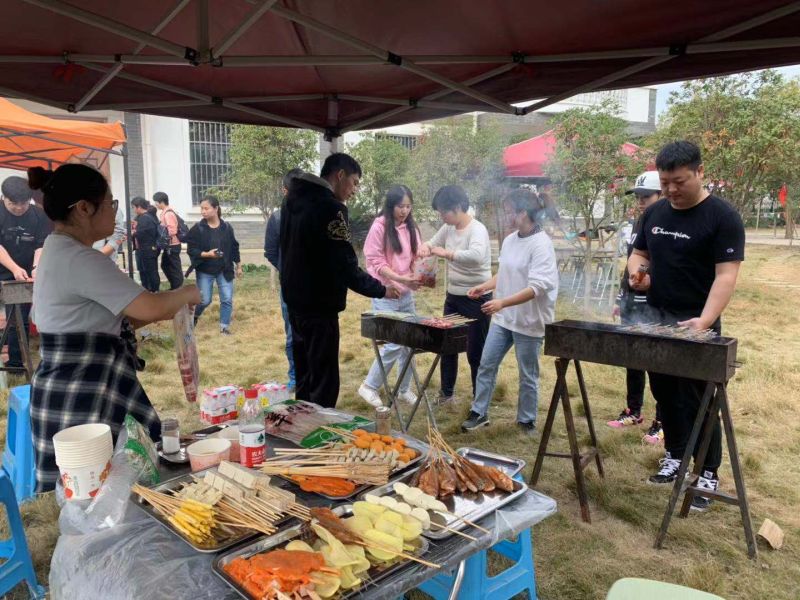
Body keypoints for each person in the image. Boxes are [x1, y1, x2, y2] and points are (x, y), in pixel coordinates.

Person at [27, 163, 200, 492]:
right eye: (110, 203)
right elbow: (150, 306)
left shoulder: (58, 250)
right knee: (92, 489)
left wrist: (169, 306)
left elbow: (121, 317)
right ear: (83, 208)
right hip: (81, 386)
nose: (115, 212)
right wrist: (187, 293)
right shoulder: (81, 259)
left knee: (104, 486)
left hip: (78, 380)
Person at [628, 141, 745, 511]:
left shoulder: (722, 217)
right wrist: (637, 274)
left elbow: (726, 276)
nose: (671, 190)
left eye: (679, 182)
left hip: (699, 321)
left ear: (699, 172)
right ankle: (675, 455)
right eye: (665, 183)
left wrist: (704, 321)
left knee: (700, 401)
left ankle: (707, 471)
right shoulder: (655, 212)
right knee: (665, 395)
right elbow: (640, 253)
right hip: (657, 319)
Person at [280, 153, 400, 409]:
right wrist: (381, 290)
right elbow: (344, 265)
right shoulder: (330, 208)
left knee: (305, 375)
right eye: (354, 182)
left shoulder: (292, 199)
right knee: (323, 381)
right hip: (319, 307)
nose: (354, 190)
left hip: (295, 303)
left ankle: (303, 421)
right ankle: (321, 426)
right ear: (340, 175)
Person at [461, 189, 558, 435]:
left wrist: (502, 302)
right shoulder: (510, 240)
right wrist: (484, 287)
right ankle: (479, 412)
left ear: (522, 213)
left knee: (527, 374)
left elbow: (536, 288)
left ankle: (526, 420)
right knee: (486, 364)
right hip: (505, 319)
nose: (504, 217)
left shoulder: (542, 244)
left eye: (508, 212)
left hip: (529, 320)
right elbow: (505, 272)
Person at [418, 185, 492, 406]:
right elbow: (433, 242)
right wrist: (425, 247)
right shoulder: (448, 227)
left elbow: (476, 256)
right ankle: (446, 394)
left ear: (458, 207)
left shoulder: (477, 229)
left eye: (444, 212)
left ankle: (479, 401)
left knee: (475, 351)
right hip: (453, 297)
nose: (442, 216)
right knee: (447, 345)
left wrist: (448, 253)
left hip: (477, 298)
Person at [608, 171, 664, 445]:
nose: (641, 202)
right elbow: (632, 261)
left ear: (662, 195)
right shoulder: (638, 223)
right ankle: (633, 410)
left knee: (657, 363)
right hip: (632, 301)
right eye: (638, 197)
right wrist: (621, 298)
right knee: (632, 358)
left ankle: (662, 421)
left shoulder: (666, 225)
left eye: (646, 196)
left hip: (654, 305)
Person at [358, 184, 422, 408]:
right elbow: (376, 262)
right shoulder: (379, 227)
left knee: (410, 344)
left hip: (406, 295)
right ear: (390, 205)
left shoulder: (411, 227)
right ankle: (369, 386)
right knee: (394, 344)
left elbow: (417, 256)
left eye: (408, 206)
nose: (404, 211)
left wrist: (419, 274)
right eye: (400, 206)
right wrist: (400, 280)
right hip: (386, 293)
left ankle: (403, 389)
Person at [0, 176, 49, 370]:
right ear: (3, 198)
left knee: (18, 317)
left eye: (24, 203)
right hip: (5, 266)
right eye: (13, 204)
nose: (19, 208)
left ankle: (16, 364)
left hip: (23, 273)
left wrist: (36, 268)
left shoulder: (39, 216)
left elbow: (40, 244)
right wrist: (13, 267)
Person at [264, 168, 303, 393]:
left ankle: (311, 374)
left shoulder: (315, 215)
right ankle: (295, 376)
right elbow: (270, 251)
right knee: (292, 334)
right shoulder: (277, 218)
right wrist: (287, 270)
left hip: (314, 288)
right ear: (284, 191)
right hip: (289, 287)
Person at [186, 195, 242, 334]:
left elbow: (234, 247)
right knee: (205, 300)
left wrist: (239, 266)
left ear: (216, 208)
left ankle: (224, 327)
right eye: (201, 209)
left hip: (224, 269)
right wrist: (207, 254)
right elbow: (191, 250)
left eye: (206, 208)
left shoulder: (227, 227)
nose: (203, 211)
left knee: (227, 299)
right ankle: (193, 317)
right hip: (205, 270)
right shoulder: (198, 228)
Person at [154, 191, 185, 290]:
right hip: (170, 245)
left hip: (173, 245)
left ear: (161, 202)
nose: (155, 204)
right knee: (166, 265)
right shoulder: (165, 212)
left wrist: (162, 235)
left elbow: (172, 230)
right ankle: (175, 286)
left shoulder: (168, 214)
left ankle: (177, 288)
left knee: (174, 267)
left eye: (156, 202)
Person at [131, 197, 160, 292]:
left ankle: (154, 291)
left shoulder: (145, 218)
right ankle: (148, 289)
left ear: (139, 207)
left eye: (133, 207)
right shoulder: (145, 217)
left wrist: (133, 233)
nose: (133, 210)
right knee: (144, 271)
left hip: (147, 249)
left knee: (150, 271)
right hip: (144, 249)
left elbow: (141, 234)